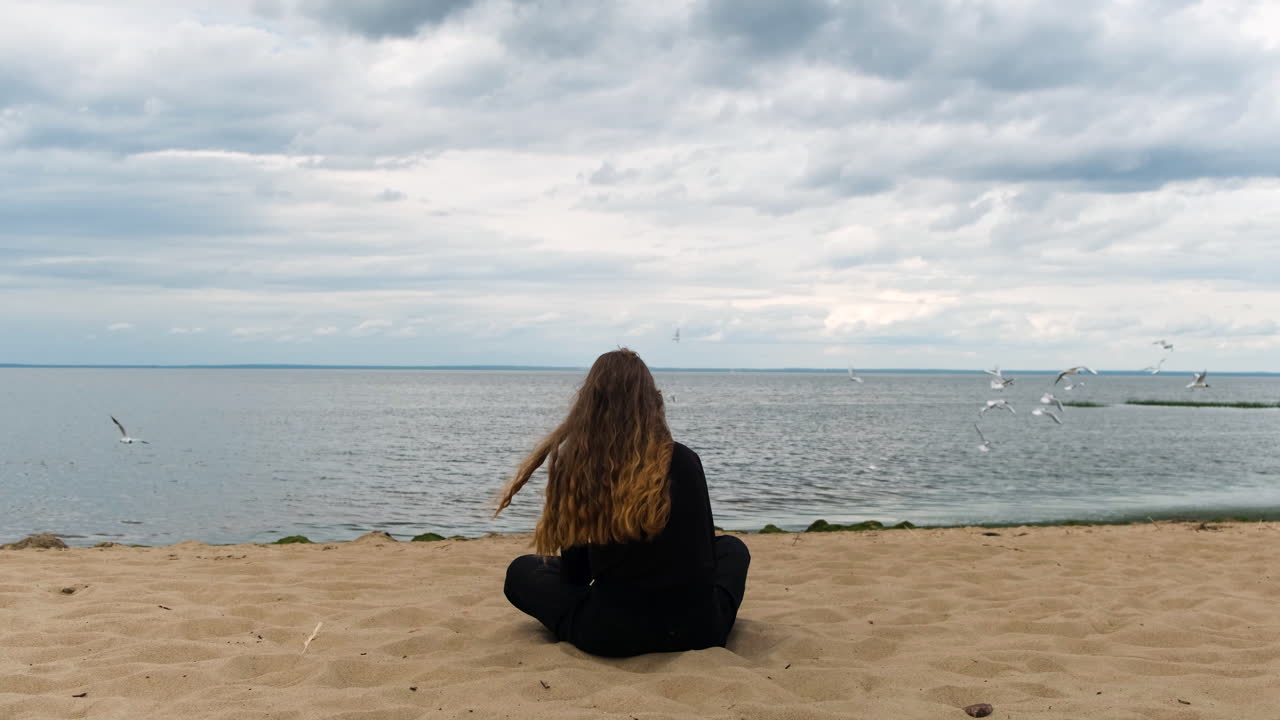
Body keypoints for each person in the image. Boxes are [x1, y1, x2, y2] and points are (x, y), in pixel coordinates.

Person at [496, 348, 750, 657]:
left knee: (522, 571)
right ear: (652, 400)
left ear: (589, 403)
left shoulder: (580, 465)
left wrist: (605, 547)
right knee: (732, 548)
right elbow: (705, 558)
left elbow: (575, 576)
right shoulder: (684, 459)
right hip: (700, 630)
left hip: (613, 634)